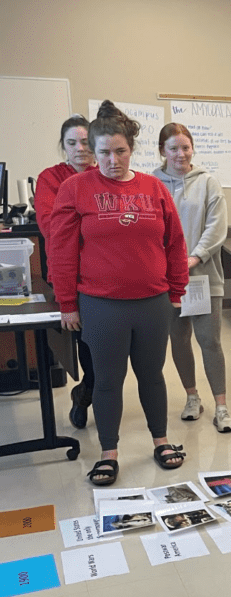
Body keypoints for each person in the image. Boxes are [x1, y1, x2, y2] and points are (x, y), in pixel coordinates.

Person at [50, 100, 190, 486]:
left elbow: (175, 243)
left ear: (132, 149)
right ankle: (108, 453)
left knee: (152, 375)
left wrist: (176, 291)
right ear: (92, 152)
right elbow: (61, 250)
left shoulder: (153, 187)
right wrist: (67, 302)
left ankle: (161, 440)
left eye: (121, 151)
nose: (113, 161)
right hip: (101, 304)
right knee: (108, 380)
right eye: (104, 153)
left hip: (152, 302)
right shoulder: (75, 188)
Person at [153, 123, 231, 434]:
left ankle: (222, 407)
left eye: (185, 147)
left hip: (203, 277)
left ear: (192, 149)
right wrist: (167, 266)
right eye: (173, 148)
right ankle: (192, 397)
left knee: (210, 341)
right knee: (179, 339)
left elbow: (216, 226)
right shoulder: (152, 183)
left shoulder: (208, 182)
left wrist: (194, 258)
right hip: (166, 280)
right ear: (162, 151)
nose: (180, 154)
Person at [35, 114, 97, 429]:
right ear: (64, 146)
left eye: (85, 142)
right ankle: (87, 395)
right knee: (86, 346)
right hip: (70, 277)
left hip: (104, 275)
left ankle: (86, 391)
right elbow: (51, 227)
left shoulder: (105, 173)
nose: (79, 149)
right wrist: (93, 229)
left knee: (103, 349)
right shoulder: (51, 178)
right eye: (72, 143)